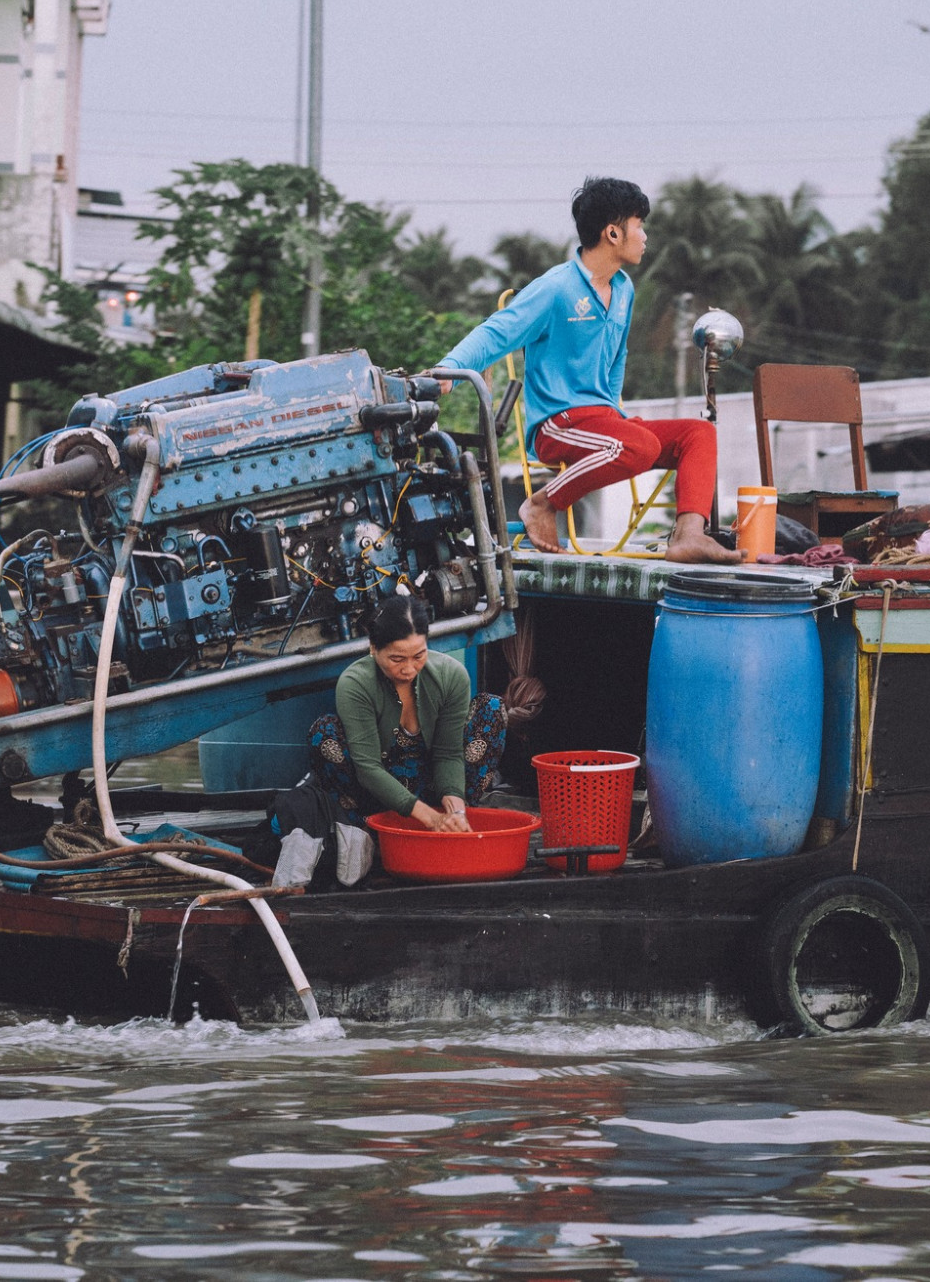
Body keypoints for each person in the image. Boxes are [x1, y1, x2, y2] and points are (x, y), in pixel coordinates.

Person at [439, 176, 744, 563]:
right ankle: (542, 505)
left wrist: (616, 415)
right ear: (613, 233)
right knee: (639, 445)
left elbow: (617, 360)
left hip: (604, 423)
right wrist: (449, 368)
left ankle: (687, 536)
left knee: (698, 433)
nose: (645, 235)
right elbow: (497, 333)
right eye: (639, 225)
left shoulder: (624, 289)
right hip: (558, 425)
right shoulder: (555, 288)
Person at [309, 594, 506, 833]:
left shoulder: (451, 676)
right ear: (374, 648)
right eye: (396, 659)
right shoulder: (355, 683)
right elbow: (368, 768)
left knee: (492, 708)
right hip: (378, 795)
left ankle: (459, 818)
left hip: (432, 782)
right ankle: (370, 830)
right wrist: (430, 819)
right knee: (324, 731)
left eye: (419, 656)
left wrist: (454, 808)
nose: (409, 669)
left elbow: (448, 754)